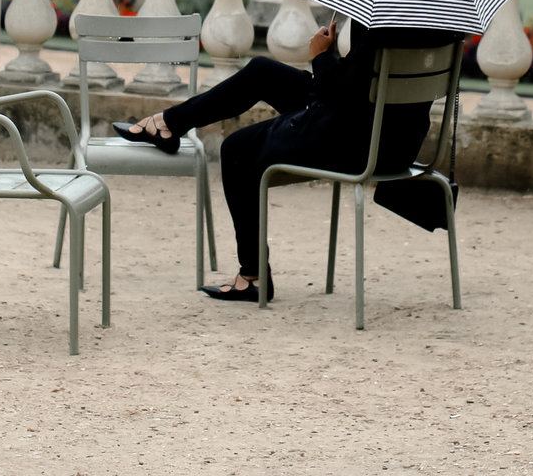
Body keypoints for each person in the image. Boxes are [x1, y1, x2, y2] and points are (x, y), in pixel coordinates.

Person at [113, 18, 457, 302]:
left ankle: (253, 276)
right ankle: (168, 125)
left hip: (352, 142)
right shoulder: (444, 24)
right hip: (396, 143)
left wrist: (320, 54)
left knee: (236, 151)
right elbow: (360, 89)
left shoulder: (382, 25)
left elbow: (339, 93)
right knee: (263, 71)